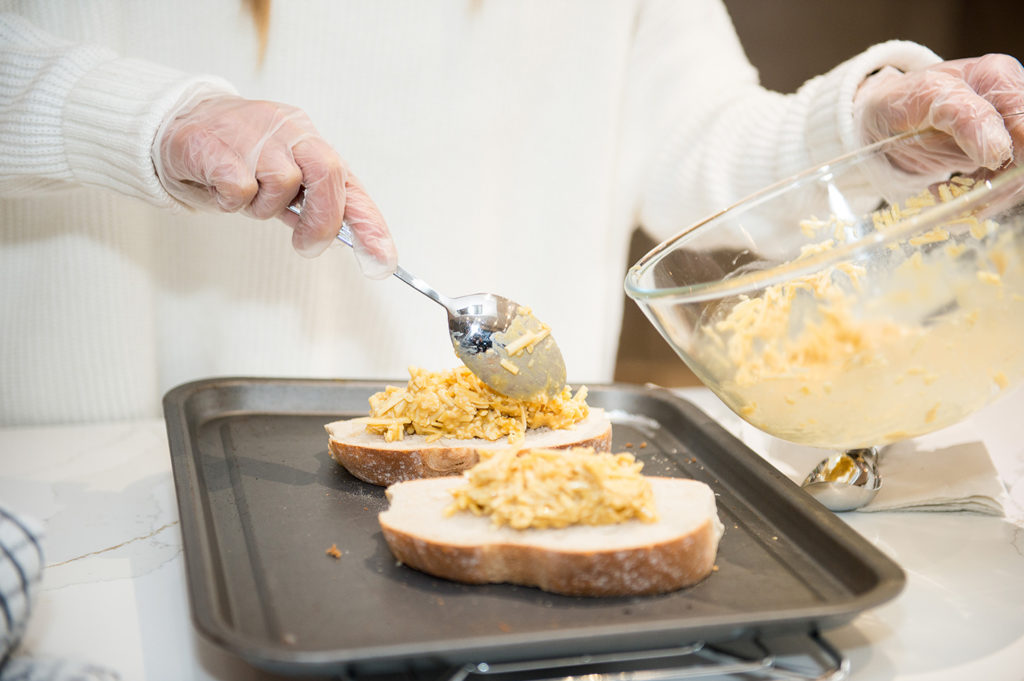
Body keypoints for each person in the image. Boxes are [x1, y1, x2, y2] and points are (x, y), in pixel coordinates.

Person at [0, 1, 1021, 430]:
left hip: (512, 454)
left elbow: (690, 145)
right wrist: (154, 119)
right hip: (109, 469)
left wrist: (869, 136)